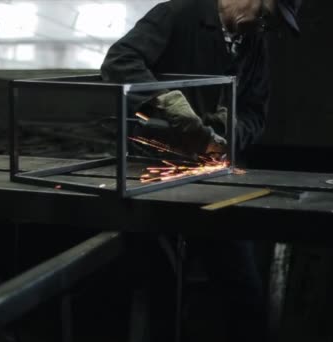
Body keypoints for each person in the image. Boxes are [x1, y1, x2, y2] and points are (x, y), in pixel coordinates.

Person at [100, 0, 302, 341]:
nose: (263, 28)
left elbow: (255, 113)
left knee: (242, 287)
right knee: (160, 284)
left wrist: (228, 131)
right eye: (265, 17)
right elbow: (120, 61)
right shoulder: (179, 13)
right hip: (154, 171)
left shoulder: (253, 43)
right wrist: (165, 101)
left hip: (213, 174)